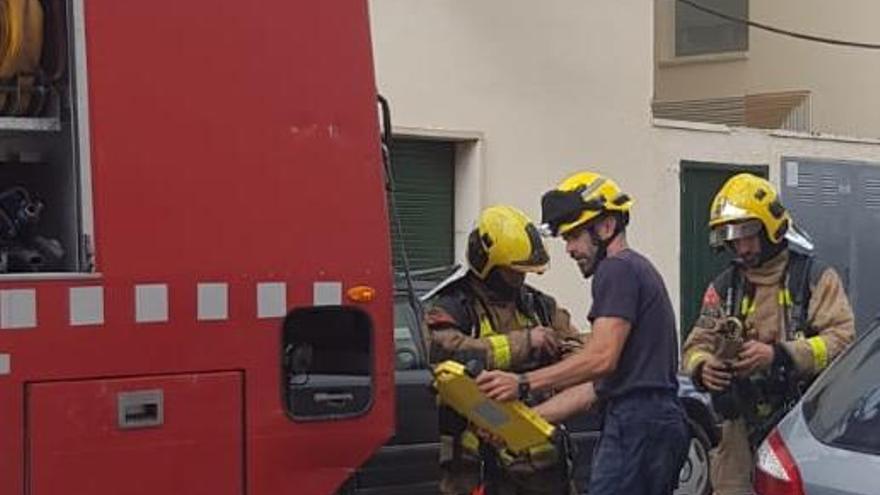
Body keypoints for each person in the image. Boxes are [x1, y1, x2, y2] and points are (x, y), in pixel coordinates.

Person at [477, 171, 689, 495]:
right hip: (648, 422)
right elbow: (595, 388)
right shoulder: (634, 271)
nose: (569, 249)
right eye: (565, 239)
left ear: (606, 227)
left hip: (637, 426)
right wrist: (522, 422)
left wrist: (521, 383)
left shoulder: (617, 270)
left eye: (574, 236)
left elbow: (600, 359)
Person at [681, 173, 855, 495]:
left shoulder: (815, 278)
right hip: (738, 433)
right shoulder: (725, 287)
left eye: (747, 234)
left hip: (800, 427)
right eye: (732, 237)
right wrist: (704, 368)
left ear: (770, 228)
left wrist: (781, 355)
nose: (740, 246)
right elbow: (695, 345)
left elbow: (842, 341)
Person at [424, 204, 591, 495]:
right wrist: (526, 343)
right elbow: (445, 353)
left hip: (540, 468)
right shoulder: (453, 306)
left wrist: (557, 370)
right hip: (473, 466)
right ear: (486, 264)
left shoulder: (541, 306)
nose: (521, 279)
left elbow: (579, 356)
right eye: (513, 272)